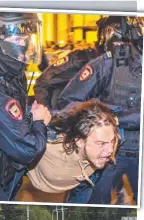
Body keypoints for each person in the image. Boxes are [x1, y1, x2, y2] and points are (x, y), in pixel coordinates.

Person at [58, 16, 142, 205]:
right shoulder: (114, 61)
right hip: (109, 153)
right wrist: (104, 116)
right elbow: (70, 100)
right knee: (91, 212)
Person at [0, 12, 51, 201]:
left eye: (26, 37)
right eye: (17, 37)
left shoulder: (14, 73)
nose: (24, 44)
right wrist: (39, 122)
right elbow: (28, 149)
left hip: (9, 174)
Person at [24, 100, 119, 198]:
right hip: (39, 175)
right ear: (80, 142)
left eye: (111, 141)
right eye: (101, 143)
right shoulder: (50, 142)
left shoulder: (110, 136)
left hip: (82, 181)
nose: (110, 150)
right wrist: (37, 122)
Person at [34, 16, 125, 110]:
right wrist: (46, 115)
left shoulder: (125, 68)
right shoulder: (81, 60)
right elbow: (43, 81)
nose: (122, 49)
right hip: (65, 116)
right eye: (118, 43)